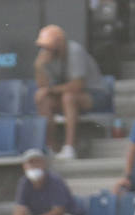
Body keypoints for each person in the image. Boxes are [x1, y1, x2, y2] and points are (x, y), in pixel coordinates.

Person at [33, 24, 106, 160]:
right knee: (42, 98)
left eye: (49, 45)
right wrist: (39, 66)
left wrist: (50, 90)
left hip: (94, 94)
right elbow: (42, 86)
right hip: (64, 93)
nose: (45, 49)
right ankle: (50, 147)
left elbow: (78, 85)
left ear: (60, 43)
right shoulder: (44, 55)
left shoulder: (74, 50)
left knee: (69, 97)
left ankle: (69, 147)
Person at [8, 149, 83, 215]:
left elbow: (58, 211)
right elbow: (19, 209)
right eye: (31, 163)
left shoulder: (55, 181)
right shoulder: (24, 182)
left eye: (37, 162)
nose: (34, 166)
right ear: (24, 166)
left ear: (44, 164)